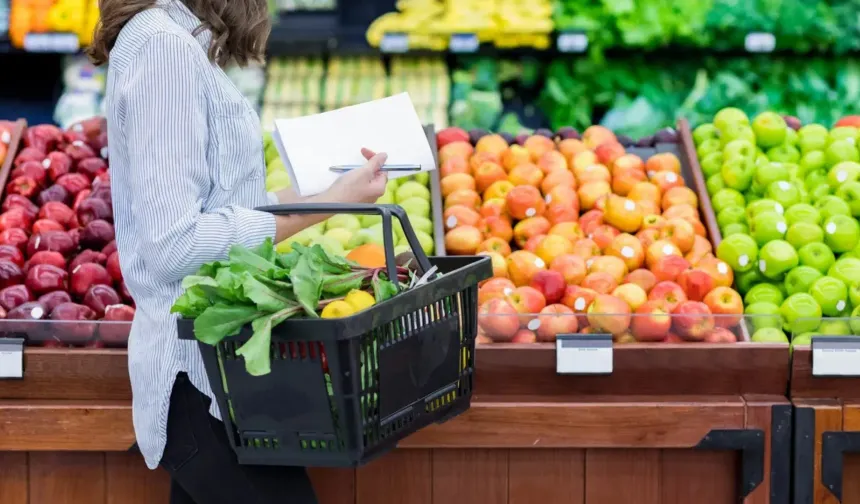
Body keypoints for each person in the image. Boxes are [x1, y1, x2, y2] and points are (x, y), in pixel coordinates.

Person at [87, 1, 388, 502]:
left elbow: (226, 209)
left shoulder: (177, 41)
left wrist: (335, 192)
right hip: (195, 379)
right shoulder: (163, 48)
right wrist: (321, 210)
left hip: (224, 375)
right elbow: (174, 244)